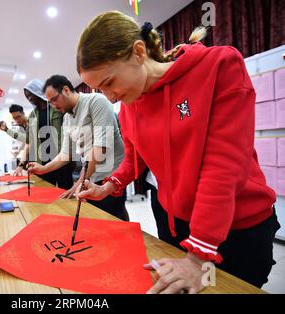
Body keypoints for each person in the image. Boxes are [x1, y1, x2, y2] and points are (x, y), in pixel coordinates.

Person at [76, 11, 279, 293]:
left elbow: (224, 166)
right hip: (177, 224)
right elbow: (136, 157)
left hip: (236, 228)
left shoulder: (219, 65)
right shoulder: (130, 104)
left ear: (138, 52)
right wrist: (109, 185)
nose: (109, 97)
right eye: (99, 89)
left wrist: (196, 258)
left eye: (109, 82)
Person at [28, 75, 128, 221]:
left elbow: (100, 147)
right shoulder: (67, 118)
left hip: (110, 180)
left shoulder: (96, 101)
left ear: (66, 90)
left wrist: (81, 181)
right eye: (50, 102)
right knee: (95, 224)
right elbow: (65, 154)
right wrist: (43, 168)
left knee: (115, 223)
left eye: (54, 100)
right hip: (89, 179)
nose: (53, 106)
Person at [14, 79, 74, 190]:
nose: (30, 99)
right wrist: (22, 163)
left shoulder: (56, 107)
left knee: (66, 193)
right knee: (45, 192)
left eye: (31, 95)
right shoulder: (32, 115)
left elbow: (70, 129)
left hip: (61, 159)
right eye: (27, 97)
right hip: (42, 161)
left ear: (38, 91)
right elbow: (29, 141)